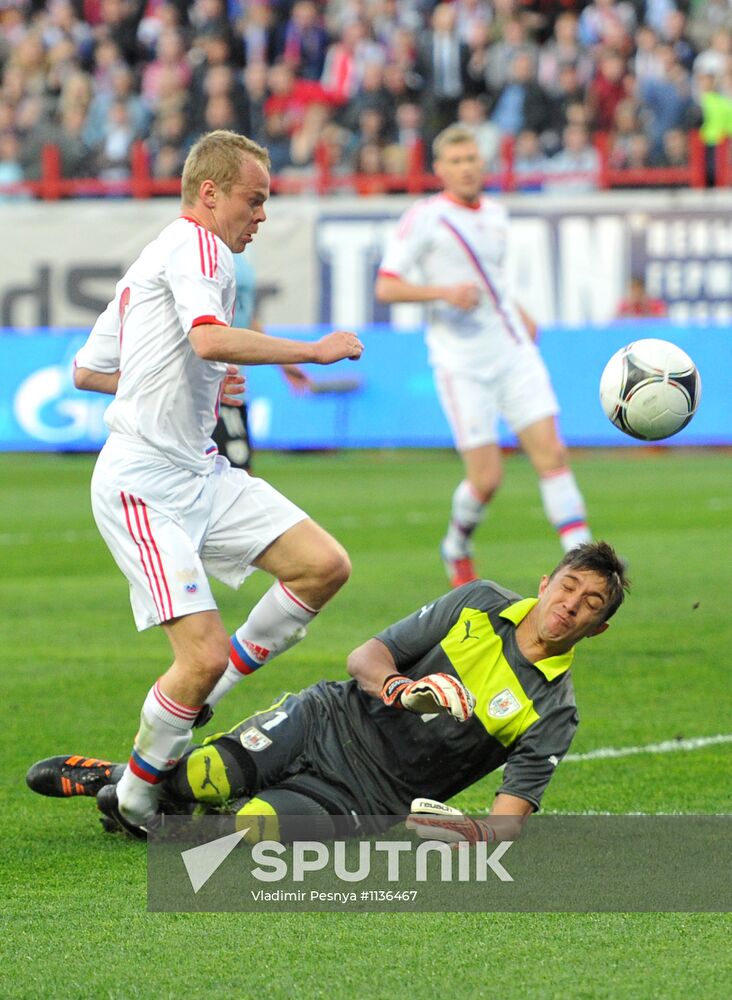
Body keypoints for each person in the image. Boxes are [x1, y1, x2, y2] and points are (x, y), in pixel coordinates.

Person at [70, 129, 364, 838]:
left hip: (198, 470)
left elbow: (90, 370)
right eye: (253, 200)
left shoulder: (158, 256)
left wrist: (203, 375)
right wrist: (312, 350)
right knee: (196, 654)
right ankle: (136, 802)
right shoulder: (200, 248)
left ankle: (201, 703)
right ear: (210, 193)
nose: (260, 215)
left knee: (322, 566)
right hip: (144, 481)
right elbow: (207, 336)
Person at [27, 541, 629, 842]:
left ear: (597, 629)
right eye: (569, 586)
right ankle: (122, 778)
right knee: (208, 773)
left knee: (245, 832)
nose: (570, 605)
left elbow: (508, 822)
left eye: (589, 604)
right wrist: (398, 687)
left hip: (369, 795)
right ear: (547, 582)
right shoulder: (480, 600)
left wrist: (466, 833)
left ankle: (137, 801)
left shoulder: (554, 711)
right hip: (327, 719)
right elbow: (365, 656)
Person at [375, 124, 591, 589]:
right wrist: (443, 293)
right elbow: (387, 285)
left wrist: (520, 311)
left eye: (472, 158)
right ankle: (456, 544)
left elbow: (495, 279)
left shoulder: (496, 213)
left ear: (483, 163)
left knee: (552, 454)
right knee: (487, 479)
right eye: (455, 161)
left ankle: (583, 566)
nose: (466, 168)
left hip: (512, 351)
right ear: (439, 169)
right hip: (461, 365)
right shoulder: (424, 218)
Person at [212, 251, 313, 472]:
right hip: (210, 390)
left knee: (236, 478)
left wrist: (283, 362)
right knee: (234, 480)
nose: (259, 217)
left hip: (233, 388)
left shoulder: (240, 253)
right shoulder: (202, 249)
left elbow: (245, 315)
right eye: (253, 212)